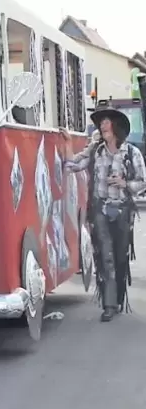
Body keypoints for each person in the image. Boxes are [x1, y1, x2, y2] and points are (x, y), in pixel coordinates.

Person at [62, 105, 146, 321]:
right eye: (101, 123)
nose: (102, 126)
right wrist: (68, 144)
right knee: (105, 258)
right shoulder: (96, 150)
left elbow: (142, 182)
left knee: (119, 258)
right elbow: (73, 165)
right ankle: (109, 305)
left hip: (122, 211)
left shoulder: (132, 153)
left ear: (116, 127)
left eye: (106, 123)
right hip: (100, 210)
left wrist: (124, 183)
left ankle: (117, 299)